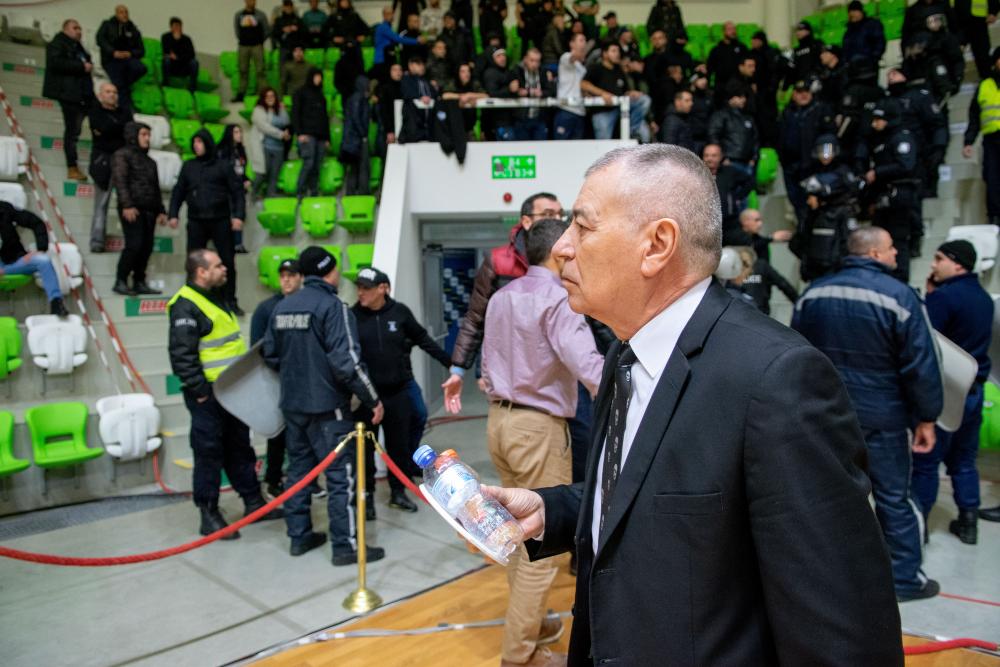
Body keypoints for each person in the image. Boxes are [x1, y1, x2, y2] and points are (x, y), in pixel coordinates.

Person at [484, 145, 902, 664]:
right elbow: (655, 494)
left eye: (582, 226)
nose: (563, 247)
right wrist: (555, 511)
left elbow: (843, 632)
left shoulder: (776, 379)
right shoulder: (625, 353)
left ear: (657, 245)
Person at [793, 226, 942, 601]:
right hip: (883, 416)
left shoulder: (814, 293)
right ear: (875, 254)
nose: (896, 254)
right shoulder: (899, 296)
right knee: (894, 497)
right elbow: (922, 364)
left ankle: (835, 574)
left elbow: (794, 355)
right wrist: (928, 416)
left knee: (831, 496)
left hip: (826, 414)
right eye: (891, 248)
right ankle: (904, 578)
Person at [482, 218, 603, 667]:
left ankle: (530, 626)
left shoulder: (502, 296)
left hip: (499, 422)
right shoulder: (558, 298)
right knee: (541, 545)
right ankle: (520, 655)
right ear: (558, 252)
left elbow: (487, 366)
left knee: (519, 535)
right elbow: (588, 367)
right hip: (537, 428)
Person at [263, 246, 387, 565]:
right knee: (340, 476)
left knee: (299, 472)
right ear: (329, 272)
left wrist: (298, 373)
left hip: (293, 405)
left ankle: (299, 536)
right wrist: (372, 399)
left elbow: (270, 355)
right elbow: (348, 363)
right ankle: (346, 546)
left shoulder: (283, 307)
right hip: (328, 408)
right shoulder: (333, 307)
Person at [168, 249, 283, 539]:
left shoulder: (215, 297)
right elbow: (182, 356)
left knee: (239, 447)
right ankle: (208, 514)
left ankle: (253, 502)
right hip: (208, 395)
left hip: (231, 391)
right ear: (201, 272)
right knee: (208, 453)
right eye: (218, 266)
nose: (225, 269)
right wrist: (201, 392)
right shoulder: (185, 305)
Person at [911, 240, 993, 543]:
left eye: (939, 258)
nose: (933, 265)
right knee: (964, 460)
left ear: (957, 263)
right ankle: (969, 523)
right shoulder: (984, 298)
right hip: (974, 390)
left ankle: (920, 528)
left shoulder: (944, 299)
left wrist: (930, 299)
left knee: (926, 462)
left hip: (945, 394)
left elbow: (925, 343)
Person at [352, 267, 451, 513]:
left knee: (399, 447)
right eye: (359, 287)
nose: (360, 292)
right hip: (367, 399)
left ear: (383, 288)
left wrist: (452, 365)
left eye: (366, 288)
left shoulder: (399, 313)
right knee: (364, 451)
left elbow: (424, 340)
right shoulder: (352, 316)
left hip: (396, 394)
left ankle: (398, 492)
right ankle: (366, 498)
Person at [168, 129, 246, 314]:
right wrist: (173, 214)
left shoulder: (223, 166)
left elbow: (237, 192)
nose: (196, 146)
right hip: (196, 221)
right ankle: (193, 301)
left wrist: (238, 216)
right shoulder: (189, 166)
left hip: (220, 220)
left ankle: (229, 300)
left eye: (200, 142)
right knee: (194, 263)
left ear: (208, 144)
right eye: (194, 142)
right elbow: (178, 191)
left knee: (227, 262)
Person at [250, 258, 304, 498]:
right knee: (278, 433)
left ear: (301, 277)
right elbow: (257, 347)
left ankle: (307, 480)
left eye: (291, 275)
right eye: (283, 276)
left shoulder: (306, 305)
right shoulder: (266, 309)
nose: (286, 280)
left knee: (304, 434)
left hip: (303, 380)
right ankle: (273, 479)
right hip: (275, 379)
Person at [860, 97, 922, 282]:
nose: (874, 124)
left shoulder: (901, 137)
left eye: (878, 119)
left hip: (900, 196)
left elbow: (906, 165)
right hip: (883, 196)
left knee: (898, 240)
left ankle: (900, 280)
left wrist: (877, 172)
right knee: (880, 240)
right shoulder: (880, 140)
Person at [792, 134, 860, 281]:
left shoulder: (843, 171)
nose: (825, 155)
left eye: (828, 151)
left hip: (839, 217)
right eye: (821, 151)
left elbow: (851, 188)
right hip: (819, 218)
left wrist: (824, 194)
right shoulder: (812, 171)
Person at [111, 122, 166, 297]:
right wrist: (127, 205)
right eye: (143, 134)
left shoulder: (151, 162)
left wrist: (161, 210)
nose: (147, 138)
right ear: (133, 135)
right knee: (134, 245)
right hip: (132, 208)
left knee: (146, 247)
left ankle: (139, 281)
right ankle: (120, 280)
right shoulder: (122, 155)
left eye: (148, 135)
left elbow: (156, 188)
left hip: (149, 209)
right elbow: (120, 181)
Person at [778, 80, 837, 225]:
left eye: (806, 92)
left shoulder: (821, 109)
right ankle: (802, 228)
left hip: (812, 165)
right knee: (795, 199)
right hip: (790, 165)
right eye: (799, 92)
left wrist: (827, 156)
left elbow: (829, 135)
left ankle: (812, 229)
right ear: (793, 94)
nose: (803, 95)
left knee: (813, 198)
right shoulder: (787, 112)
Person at [43, 19, 93, 183]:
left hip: (83, 94)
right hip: (68, 94)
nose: (79, 31)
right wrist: (81, 66)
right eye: (75, 28)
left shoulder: (78, 46)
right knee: (72, 131)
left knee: (80, 129)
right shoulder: (57, 43)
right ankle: (72, 167)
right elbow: (55, 63)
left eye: (80, 28)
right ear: (65, 29)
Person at [887, 67, 948, 201]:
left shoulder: (919, 96)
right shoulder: (886, 101)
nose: (890, 77)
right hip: (896, 157)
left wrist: (939, 147)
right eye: (888, 75)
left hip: (921, 154)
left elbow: (937, 124)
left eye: (894, 74)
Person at [0, 202, 69, 317]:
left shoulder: (4, 209)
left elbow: (36, 222)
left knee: (43, 260)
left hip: (12, 262)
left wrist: (41, 248)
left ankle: (56, 303)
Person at [87, 83, 132, 254]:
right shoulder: (95, 111)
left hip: (123, 162)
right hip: (103, 163)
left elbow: (130, 133)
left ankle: (131, 241)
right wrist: (118, 130)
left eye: (115, 92)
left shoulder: (125, 112)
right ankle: (97, 241)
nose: (112, 95)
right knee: (101, 204)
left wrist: (113, 130)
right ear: (100, 95)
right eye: (108, 92)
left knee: (127, 203)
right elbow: (103, 129)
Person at [582, 42, 651, 142]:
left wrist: (630, 93)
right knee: (603, 144)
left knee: (644, 100)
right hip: (602, 111)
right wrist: (602, 94)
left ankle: (632, 129)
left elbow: (623, 91)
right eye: (613, 51)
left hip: (620, 108)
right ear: (605, 54)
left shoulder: (618, 70)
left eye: (618, 51)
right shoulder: (596, 68)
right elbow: (583, 84)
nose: (617, 54)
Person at [962, 47, 1000, 226]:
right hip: (992, 141)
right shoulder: (984, 86)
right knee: (992, 179)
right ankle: (995, 218)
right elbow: (974, 117)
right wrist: (968, 141)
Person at [702, 143, 755, 245]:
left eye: (714, 155)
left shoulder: (729, 172)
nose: (709, 159)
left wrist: (738, 197)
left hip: (730, 222)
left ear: (721, 157)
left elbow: (750, 181)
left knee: (745, 244)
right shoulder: (698, 173)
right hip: (707, 225)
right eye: (706, 155)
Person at [96, 5, 146, 110]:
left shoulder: (133, 29)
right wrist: (113, 52)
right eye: (121, 12)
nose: (124, 14)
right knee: (119, 82)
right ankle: (126, 108)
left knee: (141, 68)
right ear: (116, 13)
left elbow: (141, 50)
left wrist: (130, 53)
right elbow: (100, 39)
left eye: (126, 12)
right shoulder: (107, 24)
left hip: (128, 58)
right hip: (111, 59)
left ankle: (123, 86)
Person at [724, 245, 799, 315]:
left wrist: (798, 304)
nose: (741, 267)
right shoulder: (726, 278)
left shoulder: (761, 267)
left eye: (746, 264)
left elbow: (783, 284)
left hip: (759, 313)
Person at [292, 68, 330, 197]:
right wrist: (299, 133)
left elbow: (325, 117)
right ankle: (300, 190)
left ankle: (314, 191)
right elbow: (295, 114)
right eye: (316, 76)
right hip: (307, 134)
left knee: (317, 165)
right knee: (309, 163)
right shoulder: (300, 93)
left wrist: (327, 138)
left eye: (320, 77)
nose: (319, 79)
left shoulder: (321, 95)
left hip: (321, 136)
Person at [707, 81, 758, 177]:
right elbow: (713, 136)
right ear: (731, 98)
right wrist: (722, 158)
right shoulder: (721, 115)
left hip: (747, 164)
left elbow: (755, 139)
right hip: (729, 162)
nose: (744, 99)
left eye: (744, 97)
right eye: (740, 97)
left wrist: (754, 158)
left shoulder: (748, 117)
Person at [248, 88, 291, 198]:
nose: (270, 98)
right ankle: (252, 195)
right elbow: (265, 127)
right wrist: (281, 134)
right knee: (262, 173)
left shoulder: (278, 109)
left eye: (272, 96)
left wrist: (283, 109)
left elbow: (286, 121)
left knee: (274, 175)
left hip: (279, 147)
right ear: (263, 98)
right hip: (264, 146)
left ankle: (270, 194)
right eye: (267, 96)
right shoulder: (259, 110)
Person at [215, 125, 251, 254]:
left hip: (239, 189)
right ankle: (227, 243)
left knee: (239, 215)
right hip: (226, 190)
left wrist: (246, 179)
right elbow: (221, 171)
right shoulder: (222, 151)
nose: (239, 134)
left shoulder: (240, 150)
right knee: (228, 216)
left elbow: (241, 170)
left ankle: (238, 244)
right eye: (236, 132)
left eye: (240, 131)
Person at [233, 0, 270, 102]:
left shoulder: (261, 15)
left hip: (257, 46)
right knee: (243, 70)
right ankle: (241, 94)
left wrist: (259, 41)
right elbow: (237, 31)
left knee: (260, 70)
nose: (252, 2)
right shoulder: (238, 15)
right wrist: (244, 39)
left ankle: (263, 95)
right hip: (243, 46)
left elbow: (266, 30)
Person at [514, 48, 554, 140]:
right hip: (522, 118)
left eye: (537, 61)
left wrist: (541, 93)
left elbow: (550, 91)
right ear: (525, 59)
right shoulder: (517, 71)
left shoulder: (543, 71)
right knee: (522, 148)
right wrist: (532, 92)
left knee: (541, 147)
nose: (534, 64)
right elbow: (516, 91)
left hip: (539, 118)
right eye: (532, 60)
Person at [554, 32, 588, 140]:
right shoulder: (565, 57)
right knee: (560, 146)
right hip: (566, 109)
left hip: (580, 112)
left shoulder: (583, 69)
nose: (584, 43)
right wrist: (582, 52)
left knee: (577, 148)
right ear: (571, 43)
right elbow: (574, 57)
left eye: (585, 40)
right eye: (581, 40)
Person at [342, 74, 372, 195]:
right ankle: (362, 192)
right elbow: (356, 118)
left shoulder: (356, 98)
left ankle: (351, 193)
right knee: (362, 166)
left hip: (352, 138)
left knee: (354, 168)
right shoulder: (358, 98)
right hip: (357, 138)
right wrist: (363, 134)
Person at [953, 0, 998, 80]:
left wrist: (993, 11)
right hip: (957, 19)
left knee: (982, 54)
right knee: (955, 52)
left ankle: (987, 80)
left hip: (978, 20)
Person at [400, 55, 440, 142]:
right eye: (418, 64)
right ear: (410, 65)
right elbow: (407, 93)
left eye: (422, 64)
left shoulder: (426, 81)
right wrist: (419, 97)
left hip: (429, 124)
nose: (422, 67)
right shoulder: (406, 79)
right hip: (414, 124)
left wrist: (435, 89)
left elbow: (435, 95)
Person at [842, 0, 886, 64]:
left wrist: (874, 58)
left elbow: (880, 42)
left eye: (855, 11)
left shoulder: (872, 24)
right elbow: (845, 50)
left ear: (861, 11)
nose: (853, 14)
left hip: (869, 63)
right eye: (851, 12)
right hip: (853, 65)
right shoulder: (848, 32)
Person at [161, 17, 199, 92]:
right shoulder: (165, 37)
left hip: (183, 65)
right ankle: (165, 83)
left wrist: (178, 57)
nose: (177, 28)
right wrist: (175, 41)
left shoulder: (187, 39)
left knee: (194, 63)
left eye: (179, 26)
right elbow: (166, 51)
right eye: (175, 26)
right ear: (171, 27)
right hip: (172, 66)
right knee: (166, 60)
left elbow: (191, 54)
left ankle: (192, 87)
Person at [706, 21, 745, 93]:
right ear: (723, 31)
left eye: (734, 29)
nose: (733, 31)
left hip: (739, 84)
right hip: (721, 86)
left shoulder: (742, 48)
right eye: (730, 29)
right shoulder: (716, 49)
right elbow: (709, 68)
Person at [788, 21, 822, 85]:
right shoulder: (796, 50)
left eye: (801, 30)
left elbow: (821, 63)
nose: (798, 32)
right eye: (797, 30)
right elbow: (792, 70)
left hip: (815, 81)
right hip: (800, 84)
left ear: (808, 31)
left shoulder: (817, 44)